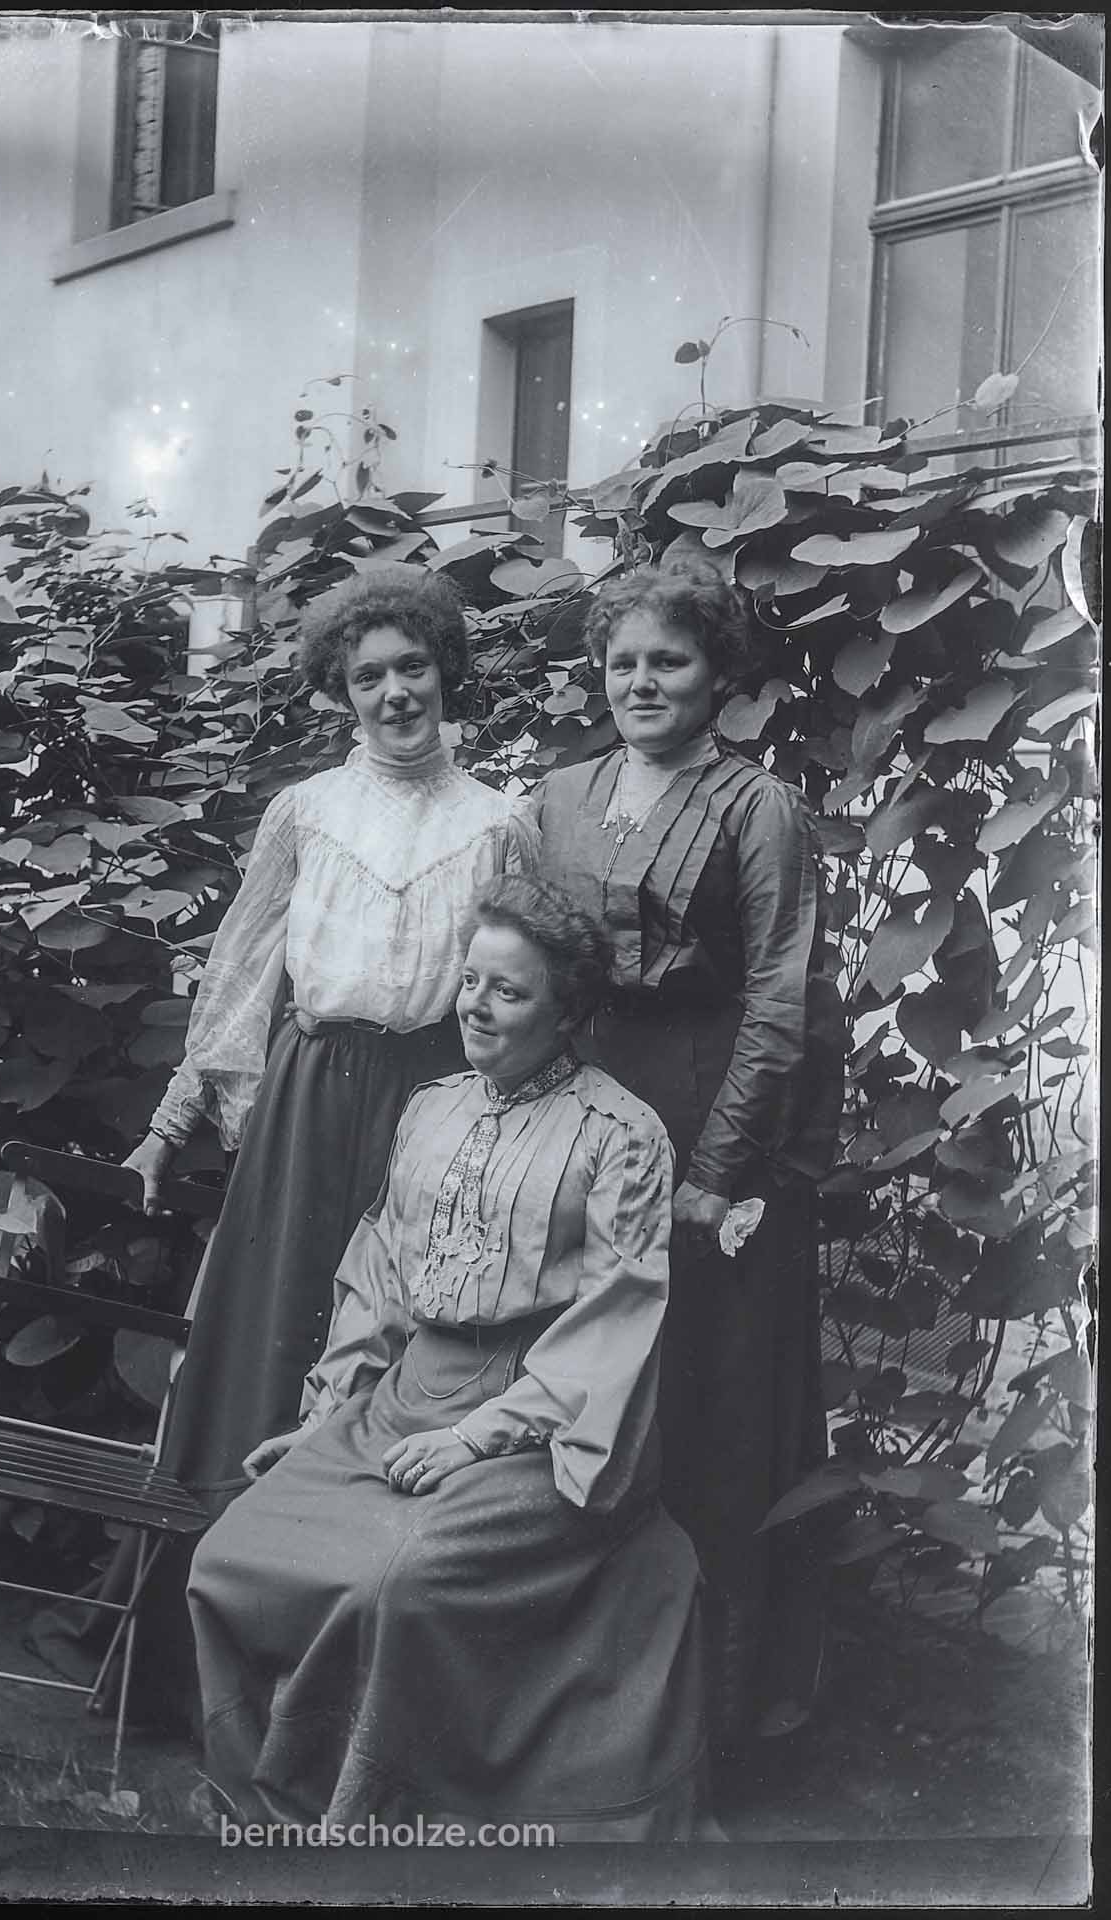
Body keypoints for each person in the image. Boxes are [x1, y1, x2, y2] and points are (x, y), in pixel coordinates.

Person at [29, 566, 532, 1717]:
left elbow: (520, 991)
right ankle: (190, 1667)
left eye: (412, 668)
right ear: (338, 692)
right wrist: (172, 1126)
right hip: (306, 1109)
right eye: (369, 677)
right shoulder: (306, 812)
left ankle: (353, 1679)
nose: (395, 694)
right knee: (265, 1351)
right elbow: (243, 980)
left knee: (405, 1358)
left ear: (446, 672)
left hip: (434, 1107)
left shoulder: (501, 823)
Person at [187, 877, 706, 1839]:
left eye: (509, 991)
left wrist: (475, 1439)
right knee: (232, 1550)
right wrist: (325, 1416)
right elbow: (381, 1273)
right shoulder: (431, 1108)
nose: (476, 1006)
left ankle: (379, 1821)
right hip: (402, 1398)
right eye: (471, 981)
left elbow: (616, 1317)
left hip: (541, 1420)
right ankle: (270, 1811)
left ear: (568, 1013)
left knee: (400, 1580)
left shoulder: (621, 1135)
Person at [531, 556, 845, 1754]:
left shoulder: (759, 809)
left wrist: (712, 1173)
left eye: (669, 659)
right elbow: (526, 957)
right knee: (580, 1380)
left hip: (715, 1113)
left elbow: (780, 997)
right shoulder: (558, 797)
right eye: (623, 662)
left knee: (705, 1402)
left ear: (719, 675)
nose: (642, 682)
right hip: (582, 1110)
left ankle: (694, 1716)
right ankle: (561, 1690)